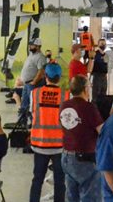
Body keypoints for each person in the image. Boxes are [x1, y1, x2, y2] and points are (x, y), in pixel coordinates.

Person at [60, 76, 105, 202]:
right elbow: (102, 131)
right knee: (90, 197)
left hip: (66, 158)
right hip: (85, 160)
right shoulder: (89, 107)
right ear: (85, 89)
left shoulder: (64, 106)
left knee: (71, 196)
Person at [30, 63, 68, 202]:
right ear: (59, 78)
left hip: (39, 144)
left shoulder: (35, 94)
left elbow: (31, 113)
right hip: (59, 146)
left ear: (45, 76)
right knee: (60, 181)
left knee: (37, 180)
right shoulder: (65, 95)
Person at [16, 38, 48, 125]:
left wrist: (34, 82)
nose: (30, 46)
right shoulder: (32, 55)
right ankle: (22, 121)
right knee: (24, 103)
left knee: (32, 104)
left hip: (33, 85)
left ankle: (34, 122)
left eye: (32, 45)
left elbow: (41, 71)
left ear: (38, 46)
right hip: (27, 84)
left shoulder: (40, 57)